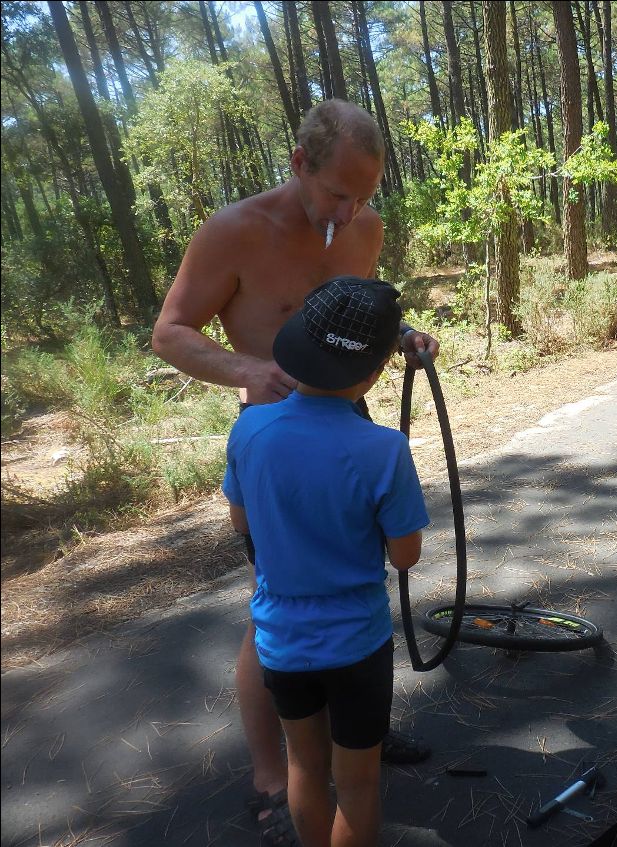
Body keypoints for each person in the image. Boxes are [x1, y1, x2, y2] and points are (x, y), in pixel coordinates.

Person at [151, 99, 437, 842]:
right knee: (275, 601)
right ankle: (273, 773)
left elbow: (350, 313)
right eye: (339, 192)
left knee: (354, 587)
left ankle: (356, 739)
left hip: (346, 423)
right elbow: (169, 331)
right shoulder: (234, 230)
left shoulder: (363, 228)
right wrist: (247, 366)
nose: (352, 211)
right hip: (269, 432)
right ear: (299, 164)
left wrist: (401, 334)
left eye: (366, 194)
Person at [224, 275, 427, 847]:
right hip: (357, 642)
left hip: (283, 639)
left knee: (305, 766)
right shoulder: (384, 447)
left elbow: (244, 524)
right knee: (357, 783)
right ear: (374, 373)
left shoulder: (250, 429)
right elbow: (406, 556)